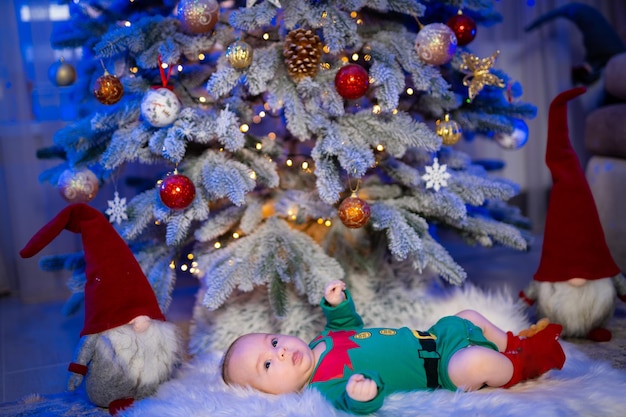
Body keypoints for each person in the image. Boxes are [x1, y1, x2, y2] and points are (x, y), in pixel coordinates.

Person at [221, 280, 566, 415]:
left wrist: (337, 306)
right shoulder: (323, 386)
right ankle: (524, 365)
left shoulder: (319, 343)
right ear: (268, 394)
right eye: (267, 366)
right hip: (443, 370)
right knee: (476, 361)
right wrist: (360, 395)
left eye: (274, 341)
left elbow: (346, 329)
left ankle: (517, 342)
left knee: (467, 316)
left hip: (433, 338)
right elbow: (351, 403)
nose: (280, 352)